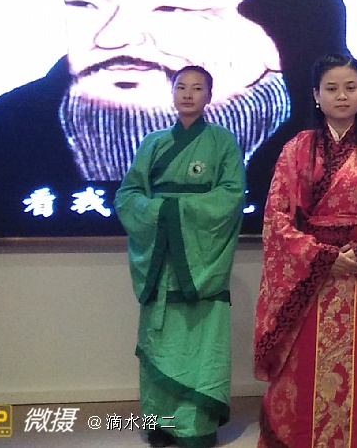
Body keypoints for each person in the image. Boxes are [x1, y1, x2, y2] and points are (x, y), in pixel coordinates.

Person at [0, 0, 346, 238]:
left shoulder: (351, 140)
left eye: (172, 9)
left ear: (285, 30)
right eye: (85, 3)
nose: (111, 38)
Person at [253, 54, 357, 448]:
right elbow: (277, 218)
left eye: (351, 87)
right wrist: (320, 257)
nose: (342, 96)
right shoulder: (296, 149)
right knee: (300, 372)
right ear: (316, 95)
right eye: (331, 88)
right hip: (308, 281)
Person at [113, 65, 245, 448]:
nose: (188, 94)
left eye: (197, 88)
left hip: (201, 259)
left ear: (209, 96)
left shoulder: (222, 142)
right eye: (181, 87)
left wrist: (174, 210)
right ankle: (159, 422)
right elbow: (128, 195)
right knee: (159, 341)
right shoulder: (152, 143)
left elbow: (231, 196)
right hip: (160, 259)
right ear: (172, 93)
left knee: (200, 344)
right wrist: (161, 213)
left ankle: (195, 426)